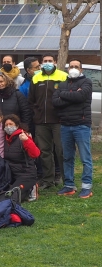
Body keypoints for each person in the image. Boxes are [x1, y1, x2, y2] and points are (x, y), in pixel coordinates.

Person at [52, 59, 93, 198]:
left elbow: (81, 96)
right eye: (71, 66)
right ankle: (69, 185)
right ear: (68, 69)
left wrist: (64, 94)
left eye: (77, 66)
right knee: (67, 157)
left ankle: (87, 187)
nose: (74, 68)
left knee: (85, 158)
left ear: (81, 69)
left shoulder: (87, 82)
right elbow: (55, 101)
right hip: (65, 125)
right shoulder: (62, 84)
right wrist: (73, 96)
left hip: (81, 125)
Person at [28, 53, 67, 189]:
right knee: (44, 151)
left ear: (55, 62)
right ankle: (48, 180)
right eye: (45, 61)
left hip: (58, 121)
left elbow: (67, 98)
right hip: (41, 122)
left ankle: (66, 179)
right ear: (41, 63)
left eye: (50, 61)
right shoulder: (36, 77)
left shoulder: (63, 76)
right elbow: (31, 100)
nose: (47, 63)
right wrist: (36, 114)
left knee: (61, 151)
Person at [3, 114, 40, 201]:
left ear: (17, 125)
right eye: (6, 125)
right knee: (4, 194)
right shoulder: (5, 139)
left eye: (11, 124)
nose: (8, 127)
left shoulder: (23, 136)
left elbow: (36, 154)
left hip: (26, 173)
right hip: (12, 173)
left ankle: (32, 187)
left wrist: (27, 141)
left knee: (13, 197)